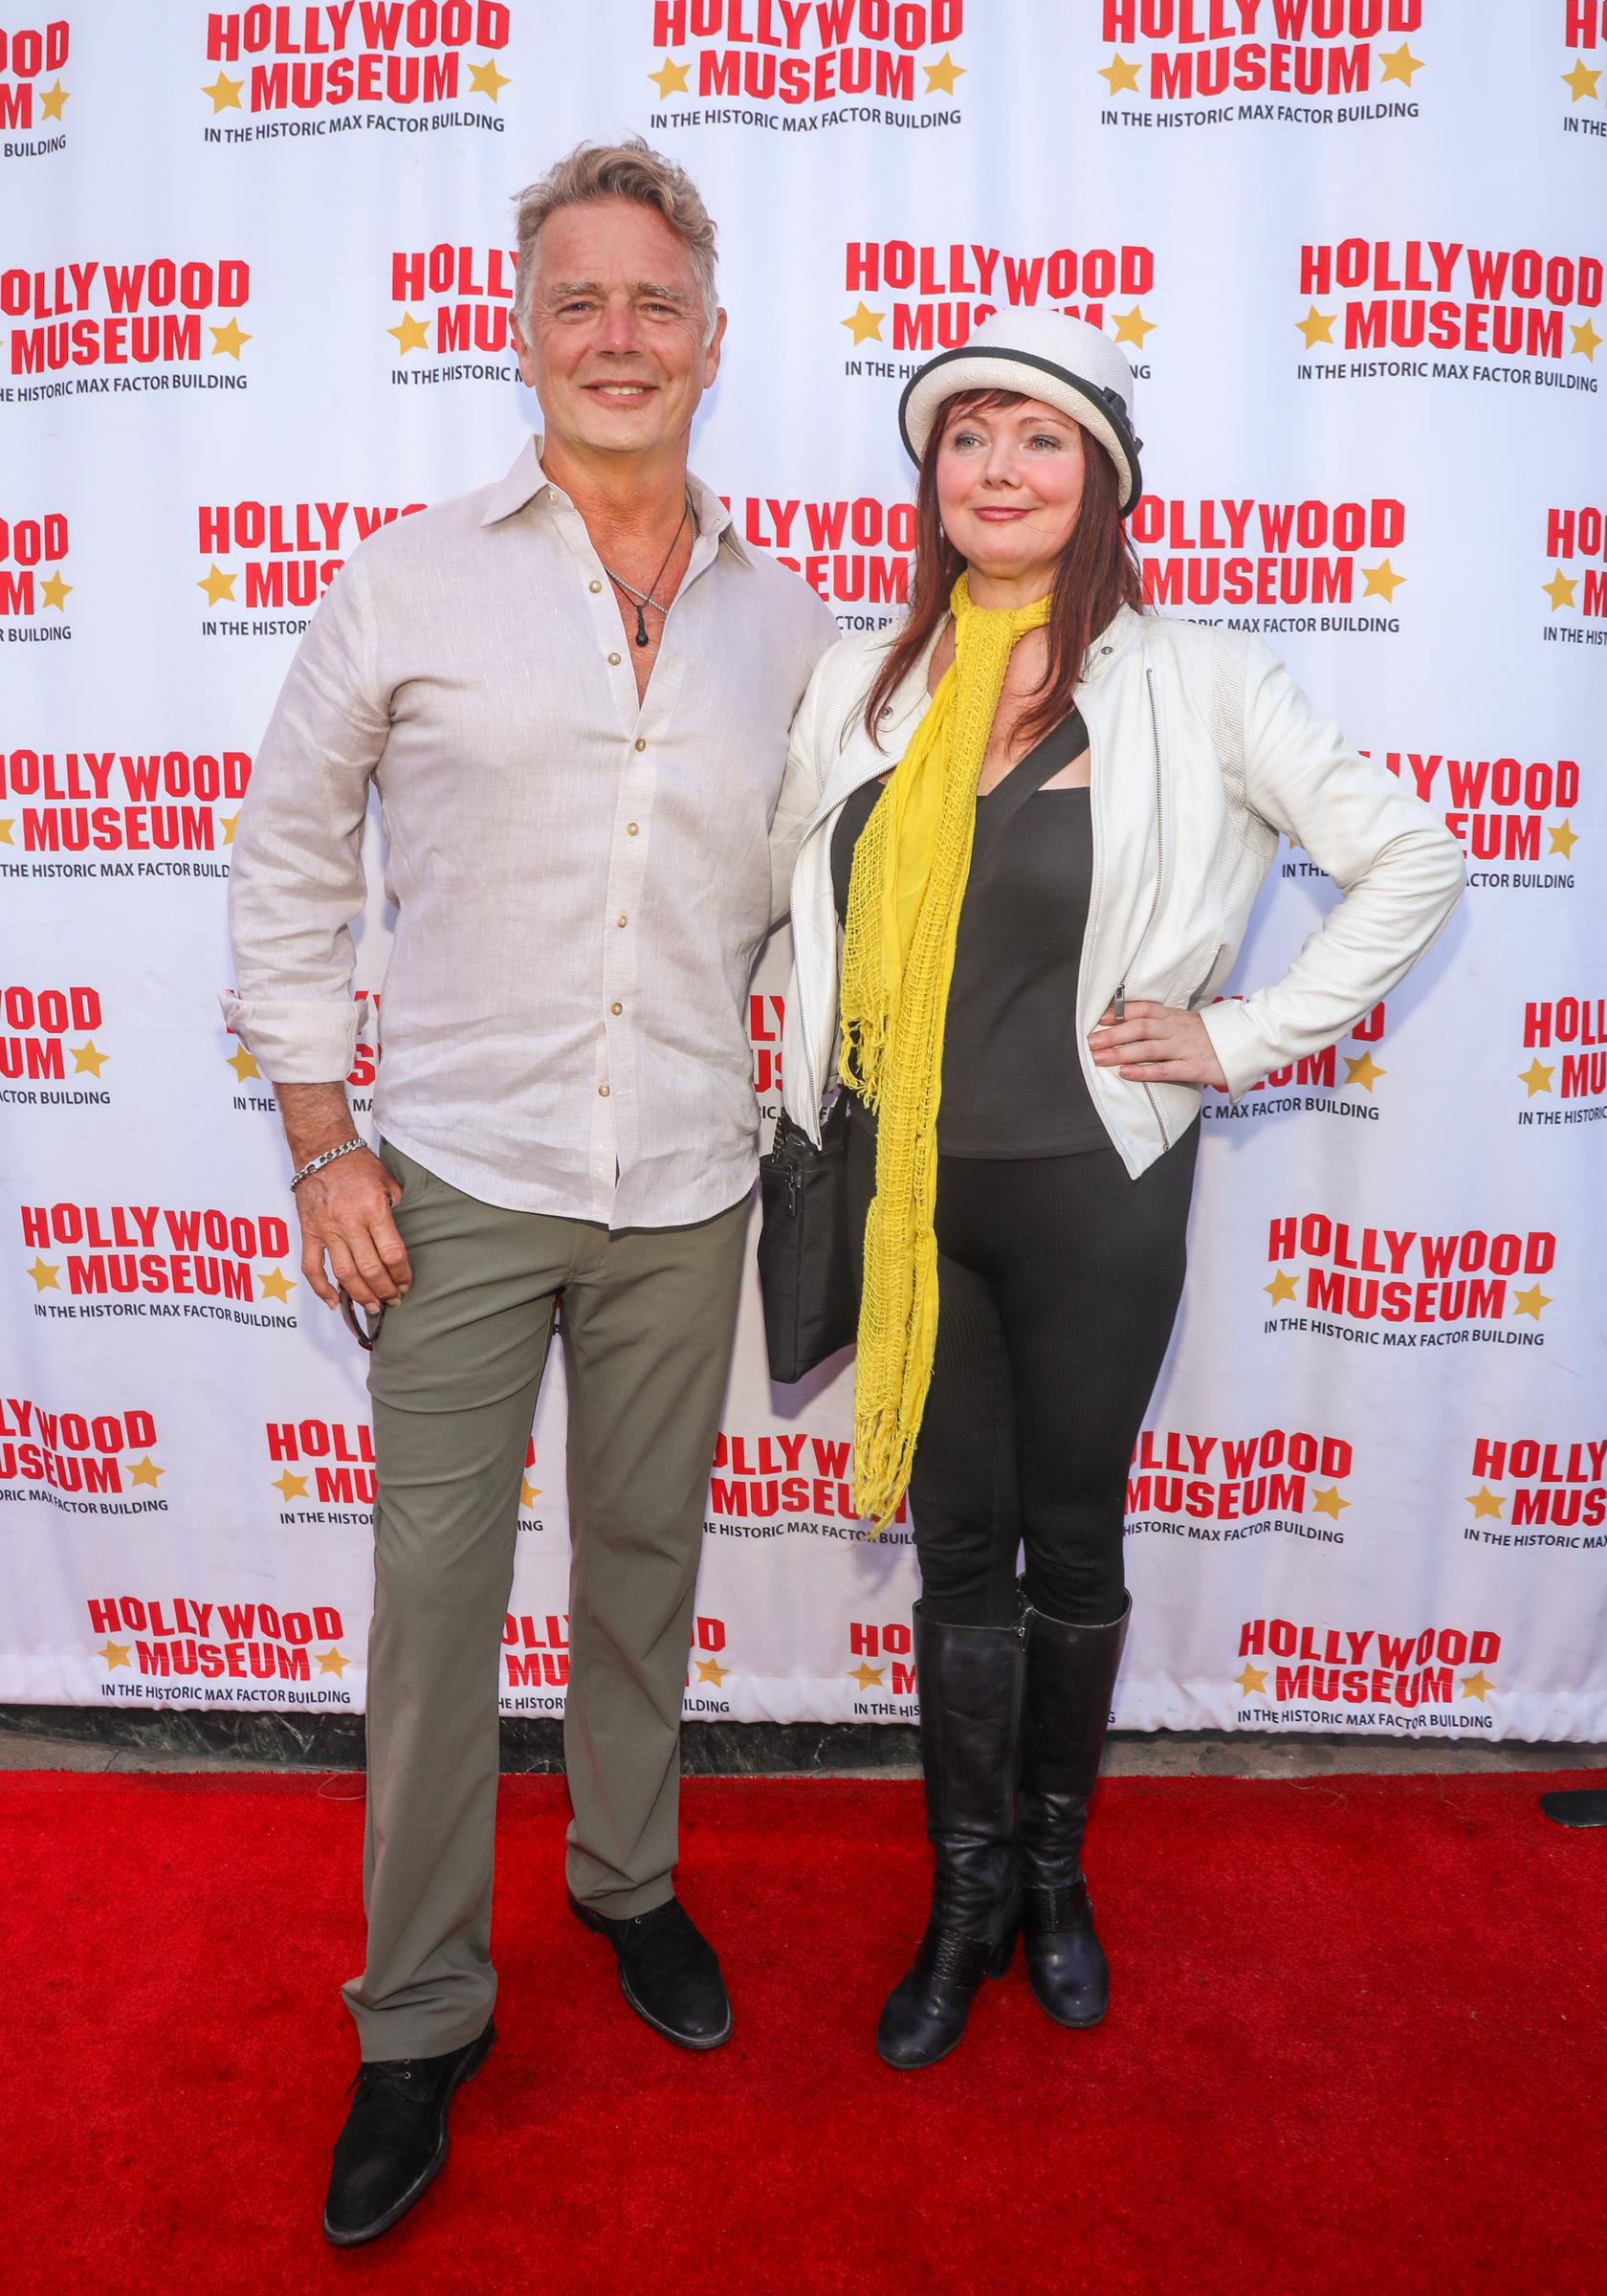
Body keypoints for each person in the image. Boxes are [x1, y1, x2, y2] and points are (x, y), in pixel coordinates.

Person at [226, 140, 836, 2244]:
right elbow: (290, 862)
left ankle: (629, 1881)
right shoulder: (405, 579)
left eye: (655, 303)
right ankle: (416, 2018)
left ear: (713, 339)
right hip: (455, 1179)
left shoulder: (802, 628)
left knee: (649, 1559)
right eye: (577, 299)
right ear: (520, 326)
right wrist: (322, 1142)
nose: (617, 336)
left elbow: (844, 911)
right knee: (430, 1604)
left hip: (686, 1178)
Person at [773, 309, 1464, 2070]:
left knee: (1072, 1543)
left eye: (1039, 440)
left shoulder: (1197, 677)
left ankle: (1058, 1881)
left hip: (1096, 1189)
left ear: (1102, 482)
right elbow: (785, 918)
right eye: (968, 440)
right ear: (933, 483)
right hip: (906, 1194)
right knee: (953, 1558)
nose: (998, 470)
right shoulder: (864, 684)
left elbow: (1409, 858)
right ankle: (965, 1899)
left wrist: (1242, 1036)